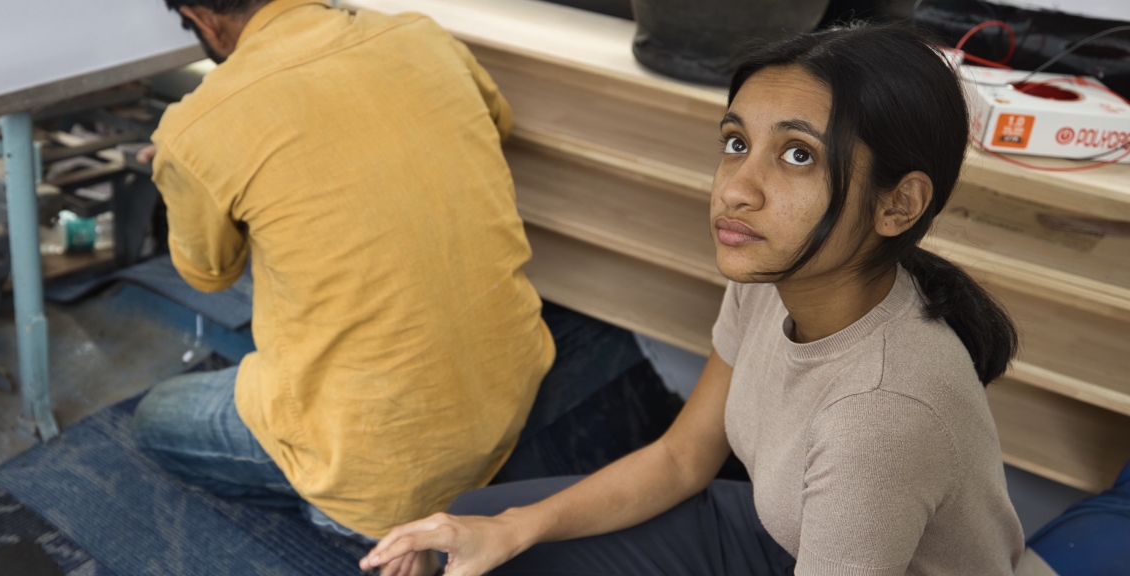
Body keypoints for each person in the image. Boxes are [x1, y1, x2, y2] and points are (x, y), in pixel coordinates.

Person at [361, 23, 1026, 576]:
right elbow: (683, 457)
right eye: (738, 143)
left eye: (797, 156)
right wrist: (510, 529)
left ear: (898, 203)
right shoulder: (777, 279)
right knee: (477, 532)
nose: (737, 188)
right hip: (782, 543)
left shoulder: (880, 417)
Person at [129, 0, 556, 557]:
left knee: (154, 417)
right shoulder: (421, 35)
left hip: (380, 466)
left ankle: (350, 517)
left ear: (203, 19)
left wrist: (177, 171)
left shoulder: (196, 127)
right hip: (515, 389)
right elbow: (499, 124)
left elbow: (210, 274)